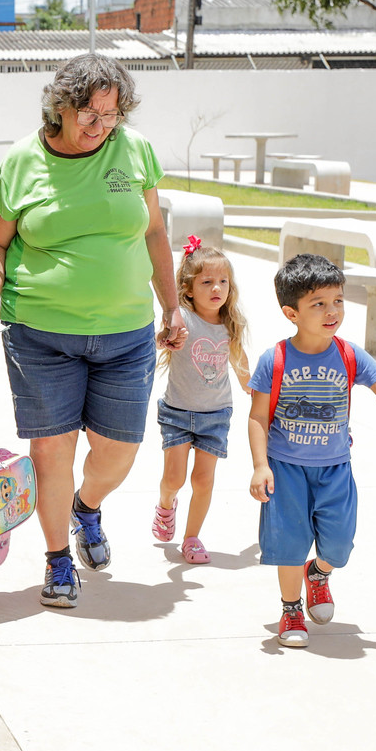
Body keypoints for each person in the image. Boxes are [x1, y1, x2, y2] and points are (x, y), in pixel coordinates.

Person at [0, 54, 186, 610]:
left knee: (119, 452)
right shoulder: (21, 161)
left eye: (111, 114)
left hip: (127, 331)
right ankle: (59, 558)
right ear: (60, 106)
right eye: (89, 111)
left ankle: (87, 507)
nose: (100, 124)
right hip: (41, 332)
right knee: (51, 451)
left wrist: (172, 306)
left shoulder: (133, 150)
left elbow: (156, 232)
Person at [247, 253, 376, 648]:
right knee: (289, 544)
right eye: (317, 303)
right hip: (285, 470)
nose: (331, 310)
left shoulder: (350, 354)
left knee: (338, 545)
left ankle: (318, 573)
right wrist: (259, 465)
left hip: (335, 469)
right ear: (291, 312)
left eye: (337, 300)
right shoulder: (276, 358)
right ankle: (290, 609)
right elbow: (256, 417)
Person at [151, 239, 248, 564]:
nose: (216, 288)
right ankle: (166, 505)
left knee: (203, 480)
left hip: (216, 415)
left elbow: (242, 367)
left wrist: (260, 391)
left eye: (222, 281)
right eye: (206, 282)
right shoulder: (184, 319)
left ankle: (192, 538)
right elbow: (160, 342)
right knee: (175, 479)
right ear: (188, 289)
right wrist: (163, 338)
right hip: (178, 412)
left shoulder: (230, 326)